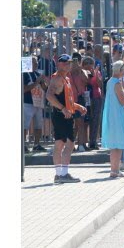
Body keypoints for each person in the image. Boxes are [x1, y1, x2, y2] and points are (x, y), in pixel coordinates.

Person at [46, 54, 87, 184]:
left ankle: (60, 174)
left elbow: (67, 101)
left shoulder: (66, 79)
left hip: (65, 115)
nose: (67, 65)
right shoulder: (58, 78)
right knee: (67, 144)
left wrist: (78, 107)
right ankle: (62, 174)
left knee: (63, 144)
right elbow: (49, 96)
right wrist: (62, 109)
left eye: (69, 63)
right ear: (58, 64)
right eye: (64, 63)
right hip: (61, 116)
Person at [101, 61, 124, 178]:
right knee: (118, 144)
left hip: (112, 114)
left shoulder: (110, 81)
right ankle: (114, 170)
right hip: (117, 114)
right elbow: (123, 100)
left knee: (115, 145)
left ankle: (115, 169)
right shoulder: (116, 83)